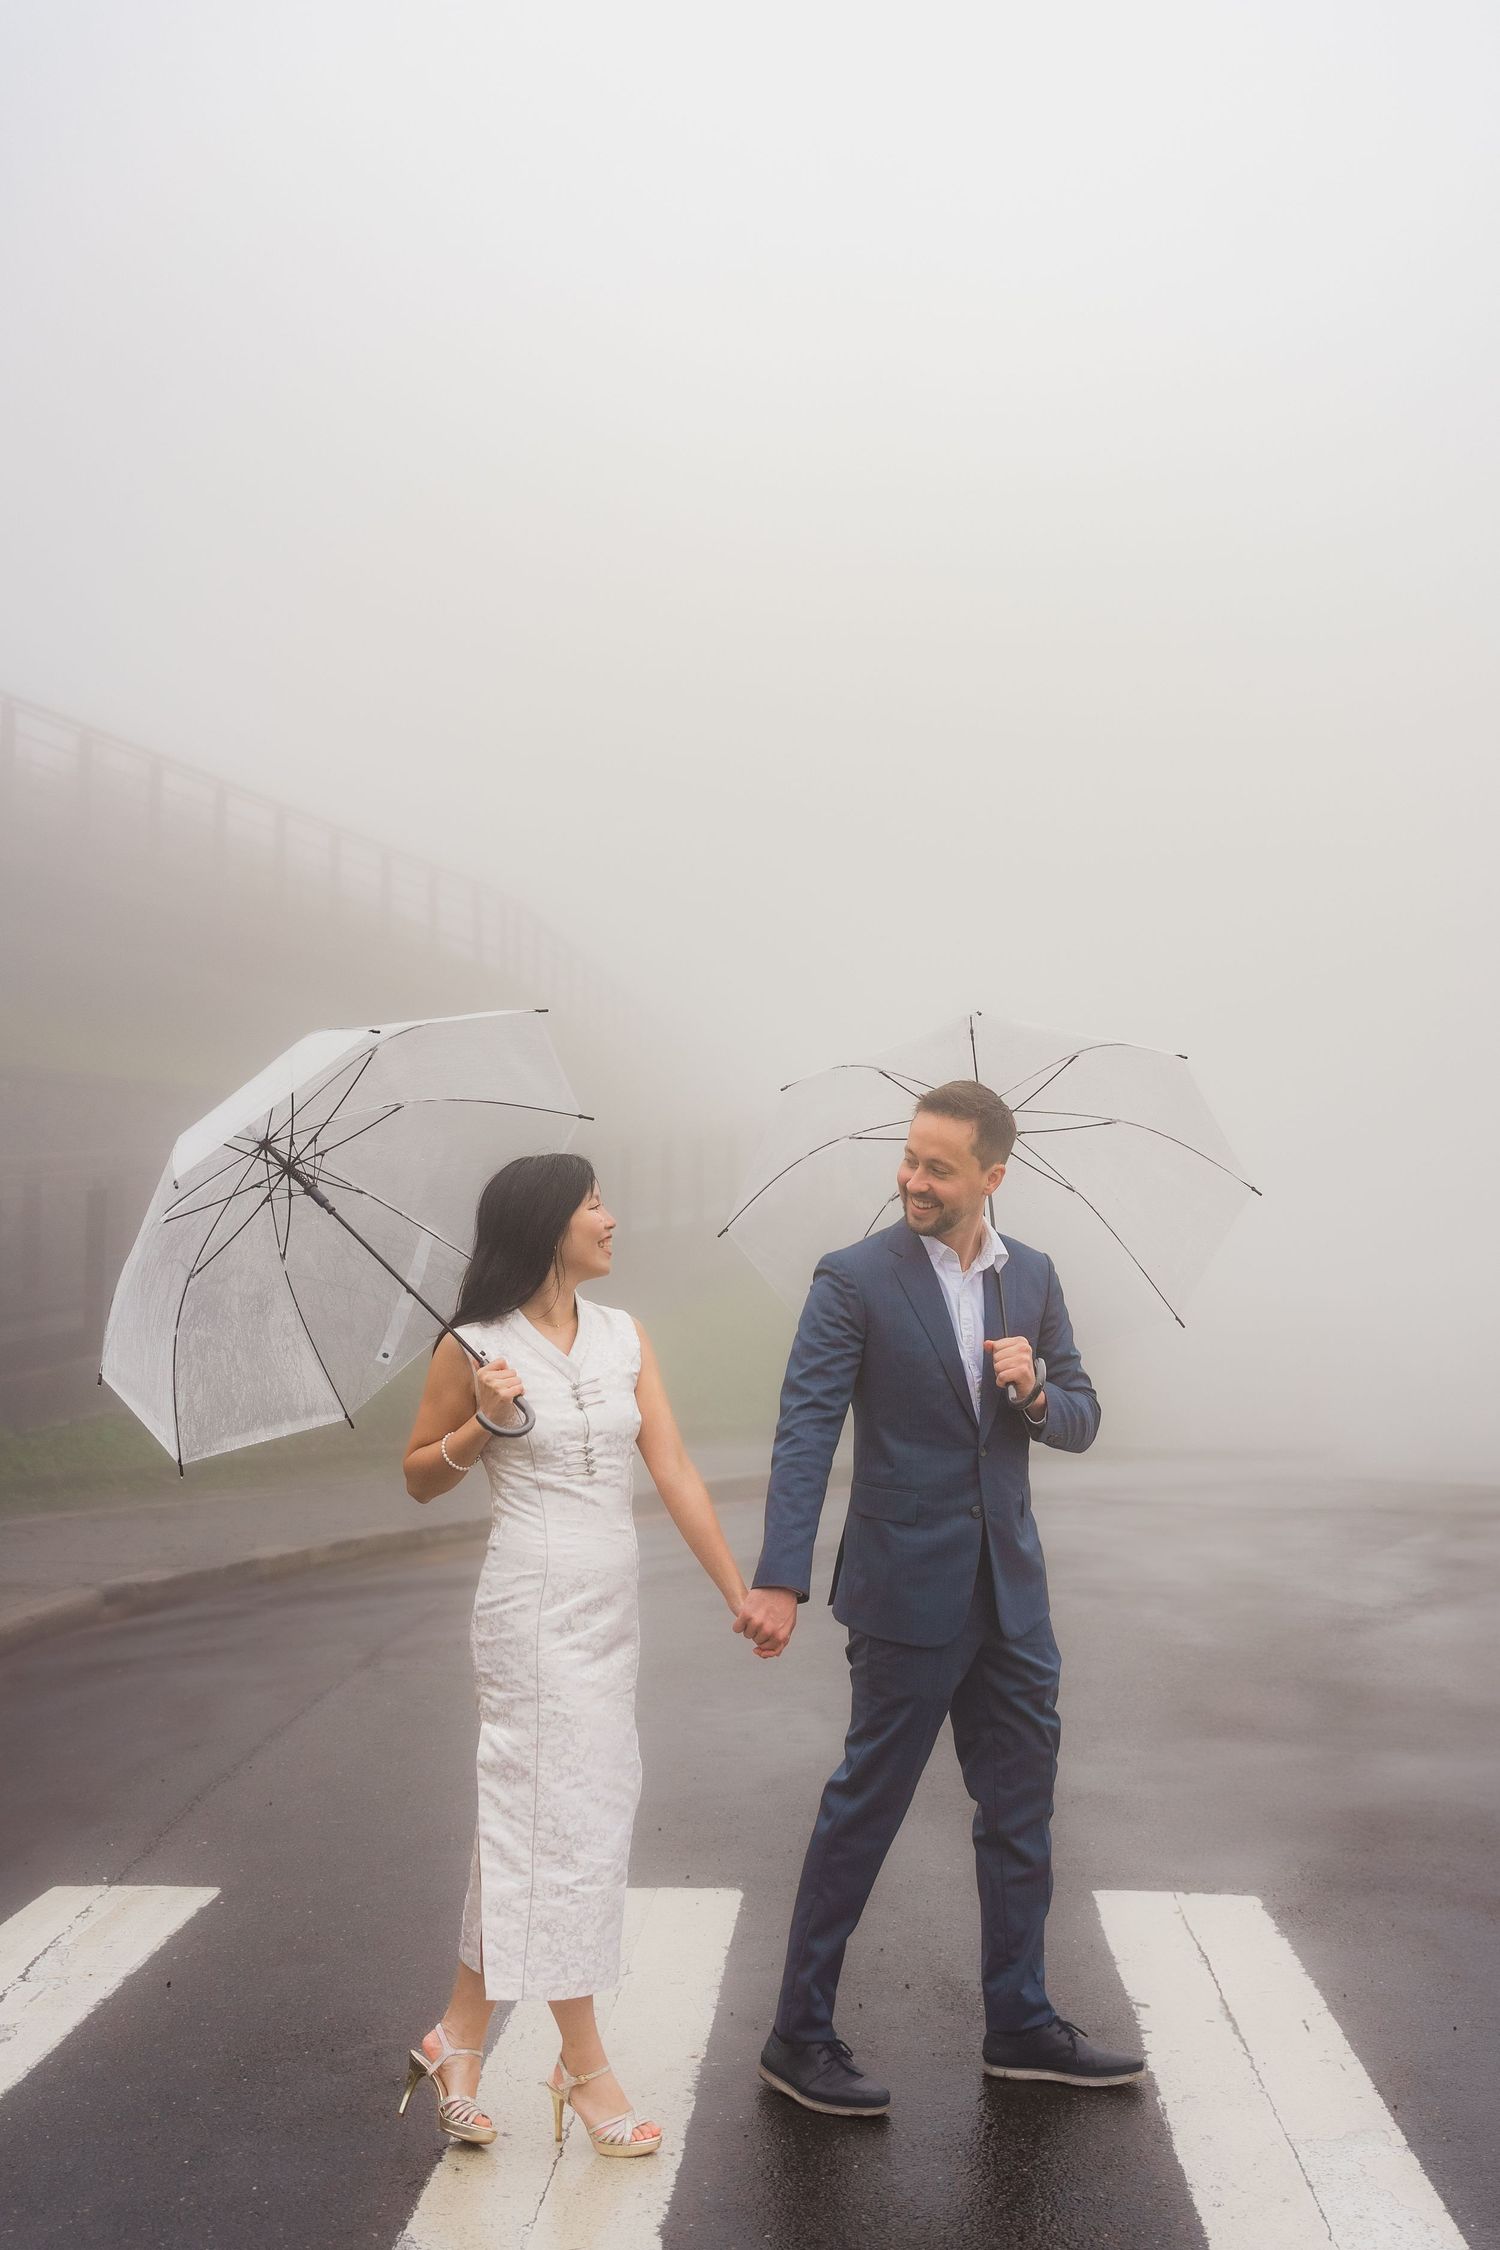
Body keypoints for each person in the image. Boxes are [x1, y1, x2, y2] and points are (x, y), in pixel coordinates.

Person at [732, 1079, 1145, 2114]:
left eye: (938, 1167)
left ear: (991, 1178)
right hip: (904, 1593)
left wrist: (1037, 1390)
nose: (913, 1180)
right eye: (910, 1160)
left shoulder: (1034, 1279)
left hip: (1011, 1596)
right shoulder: (855, 1278)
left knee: (1018, 1816)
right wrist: (780, 1575)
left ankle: (1020, 2024)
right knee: (863, 1811)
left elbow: (1085, 1416)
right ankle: (798, 2034)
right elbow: (806, 1426)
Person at [399, 1151, 754, 2158]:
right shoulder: (471, 1347)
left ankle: (457, 2036)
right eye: (594, 1203)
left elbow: (673, 1465)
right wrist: (485, 1422)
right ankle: (583, 2064)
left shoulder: (624, 1335)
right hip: (529, 1607)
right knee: (563, 1822)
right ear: (549, 1222)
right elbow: (421, 1476)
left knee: (548, 1812)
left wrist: (738, 1589)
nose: (611, 1217)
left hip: (609, 1610)